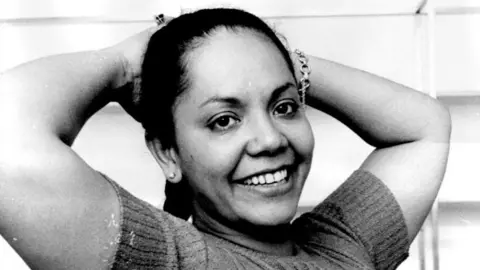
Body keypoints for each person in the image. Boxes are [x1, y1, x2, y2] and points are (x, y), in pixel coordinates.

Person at [0, 8, 451, 270]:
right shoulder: (173, 260)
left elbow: (423, 128)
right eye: (224, 120)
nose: (270, 139)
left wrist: (274, 55)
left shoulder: (346, 248)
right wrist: (123, 62)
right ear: (167, 152)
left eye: (284, 107)